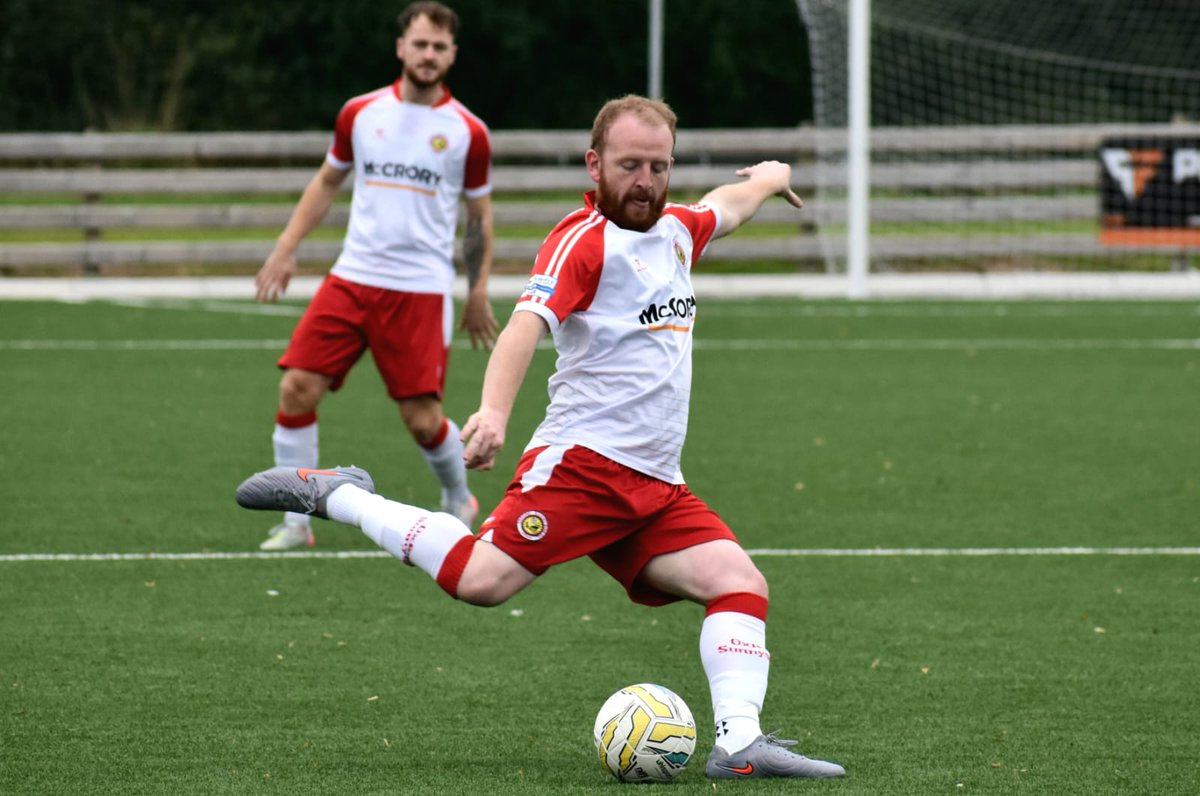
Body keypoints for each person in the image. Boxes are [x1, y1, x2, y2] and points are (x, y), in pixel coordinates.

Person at [237, 94, 845, 779]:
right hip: (584, 468)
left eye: (658, 166)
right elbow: (526, 323)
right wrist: (494, 413)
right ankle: (342, 496)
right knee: (481, 581)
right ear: (594, 164)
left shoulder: (677, 230)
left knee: (738, 582)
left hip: (655, 484)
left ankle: (739, 745)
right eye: (628, 165)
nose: (644, 180)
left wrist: (766, 178)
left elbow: (724, 210)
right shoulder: (582, 242)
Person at [251, 1, 499, 551]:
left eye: (439, 47)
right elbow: (325, 182)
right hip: (352, 276)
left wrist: (477, 289)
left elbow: (479, 219)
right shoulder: (360, 113)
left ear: (452, 55)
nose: (428, 55)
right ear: (401, 48)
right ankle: (297, 521)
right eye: (420, 44)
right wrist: (286, 249)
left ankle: (459, 498)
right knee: (296, 388)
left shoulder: (467, 132)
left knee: (421, 419)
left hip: (420, 290)